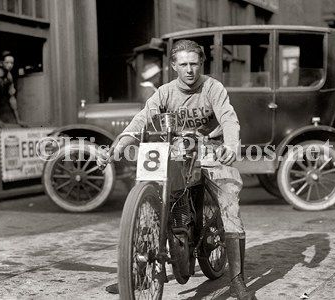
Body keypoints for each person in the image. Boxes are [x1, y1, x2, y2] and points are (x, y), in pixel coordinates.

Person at [101, 40, 253, 300]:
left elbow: (228, 117)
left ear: (201, 64)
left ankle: (237, 280)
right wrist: (123, 140)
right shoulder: (165, 92)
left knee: (229, 202)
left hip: (209, 149)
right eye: (183, 64)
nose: (189, 70)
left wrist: (230, 144)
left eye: (194, 64)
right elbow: (143, 117)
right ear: (174, 66)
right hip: (176, 151)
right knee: (154, 202)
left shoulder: (213, 88)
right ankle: (135, 272)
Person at [0, 51, 25, 127]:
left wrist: (18, 120)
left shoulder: (9, 76)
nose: (10, 65)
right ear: (1, 63)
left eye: (12, 63)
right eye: (7, 63)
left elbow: (12, 98)